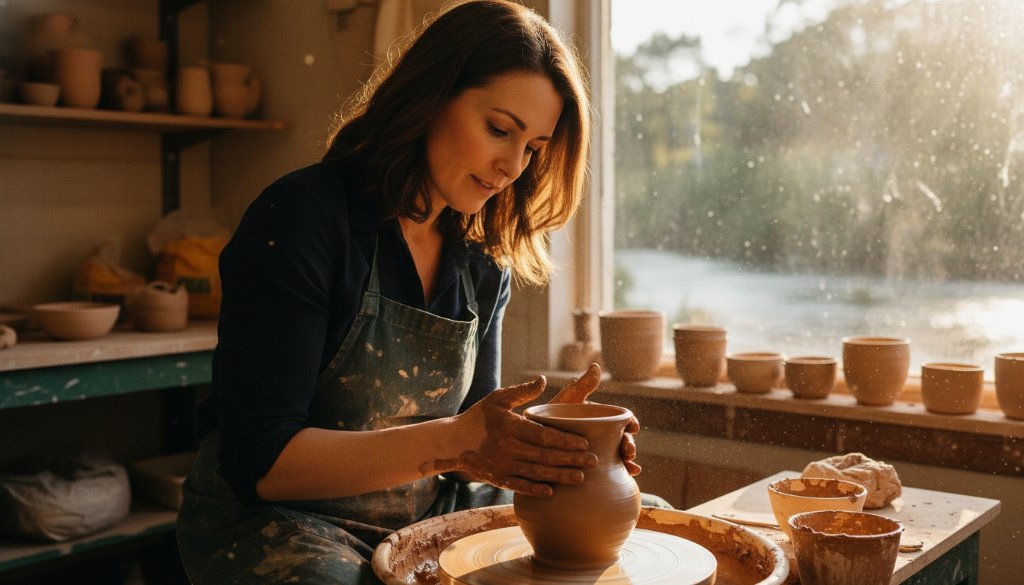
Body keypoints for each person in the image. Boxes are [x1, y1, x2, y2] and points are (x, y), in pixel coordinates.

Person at [176, 1, 660, 583]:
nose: (512, 166)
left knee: (652, 523)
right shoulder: (302, 218)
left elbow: (466, 458)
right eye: (499, 129)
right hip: (279, 522)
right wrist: (461, 443)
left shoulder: (482, 260)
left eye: (532, 147)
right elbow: (262, 462)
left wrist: (549, 445)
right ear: (430, 96)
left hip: (424, 514)